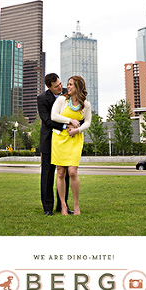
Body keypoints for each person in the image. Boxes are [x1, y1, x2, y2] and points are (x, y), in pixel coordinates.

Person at [51, 75, 92, 215]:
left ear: (78, 87)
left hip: (75, 139)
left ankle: (76, 205)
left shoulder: (85, 104)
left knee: (72, 172)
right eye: (67, 84)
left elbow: (87, 122)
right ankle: (63, 205)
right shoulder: (62, 100)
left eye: (71, 85)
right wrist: (70, 120)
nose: (67, 87)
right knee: (61, 172)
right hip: (60, 139)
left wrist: (77, 129)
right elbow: (53, 115)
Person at [37, 73, 69, 216]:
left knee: (64, 174)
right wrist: (64, 126)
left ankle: (62, 205)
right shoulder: (42, 99)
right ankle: (48, 208)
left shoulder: (68, 94)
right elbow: (47, 120)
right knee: (47, 175)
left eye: (61, 84)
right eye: (57, 87)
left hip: (65, 141)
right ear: (49, 87)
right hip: (49, 141)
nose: (60, 87)